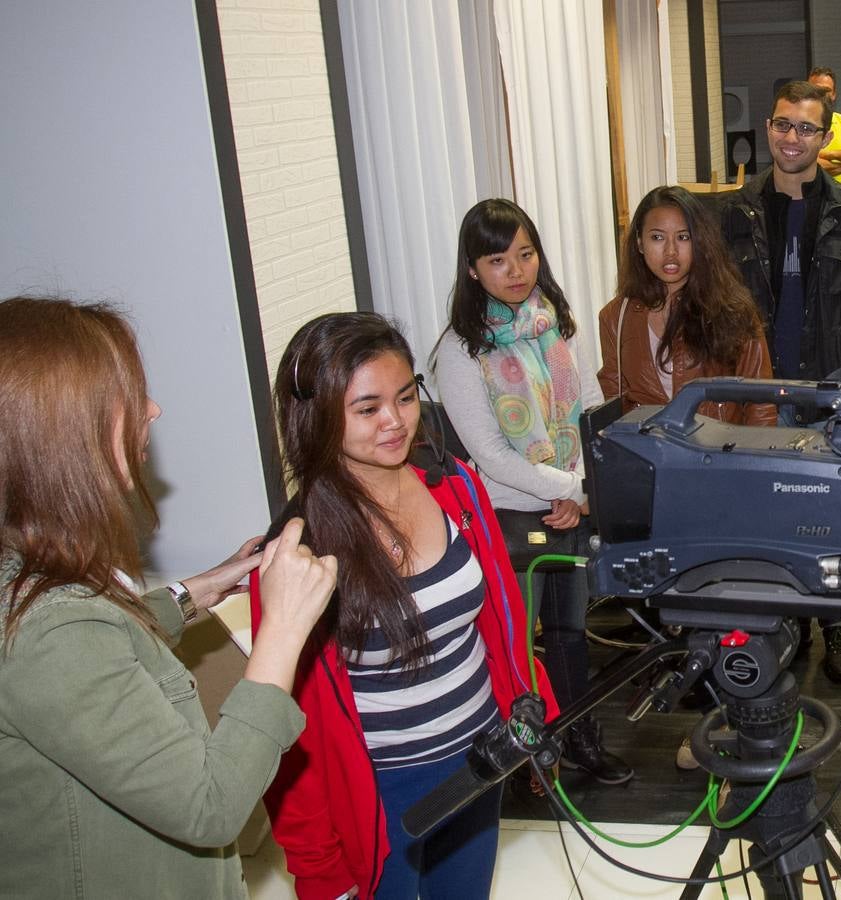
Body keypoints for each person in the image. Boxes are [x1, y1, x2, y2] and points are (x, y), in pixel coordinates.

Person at [0, 296, 338, 900]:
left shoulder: (28, 572)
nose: (152, 410)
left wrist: (196, 592)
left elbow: (99, 650)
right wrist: (285, 627)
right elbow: (209, 806)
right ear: (61, 434)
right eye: (129, 399)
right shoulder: (49, 630)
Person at [255, 312, 557, 900]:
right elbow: (289, 740)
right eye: (367, 409)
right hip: (379, 794)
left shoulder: (455, 487)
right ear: (317, 416)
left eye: (405, 396)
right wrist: (321, 874)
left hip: (480, 758)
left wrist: (531, 700)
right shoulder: (296, 555)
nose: (396, 422)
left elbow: (500, 621)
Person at [433, 198, 632, 786]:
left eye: (525, 254)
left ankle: (580, 738)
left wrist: (578, 487)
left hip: (568, 502)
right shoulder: (461, 349)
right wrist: (570, 487)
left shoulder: (551, 322)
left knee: (570, 633)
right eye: (498, 259)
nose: (516, 270)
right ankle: (525, 756)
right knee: (517, 643)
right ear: (473, 269)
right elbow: (490, 455)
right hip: (508, 516)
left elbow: (585, 408)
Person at [720, 79, 841, 684]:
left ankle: (837, 621)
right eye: (782, 124)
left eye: (806, 128)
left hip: (828, 393)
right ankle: (783, 621)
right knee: (769, 517)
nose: (792, 137)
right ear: (768, 129)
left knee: (833, 515)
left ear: (825, 137)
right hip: (758, 396)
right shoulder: (735, 212)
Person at [598, 185, 775, 426]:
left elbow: (761, 404)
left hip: (719, 456)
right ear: (639, 243)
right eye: (657, 237)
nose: (671, 251)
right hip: (649, 458)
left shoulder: (732, 309)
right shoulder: (614, 317)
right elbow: (613, 402)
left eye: (683, 237)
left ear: (699, 241)